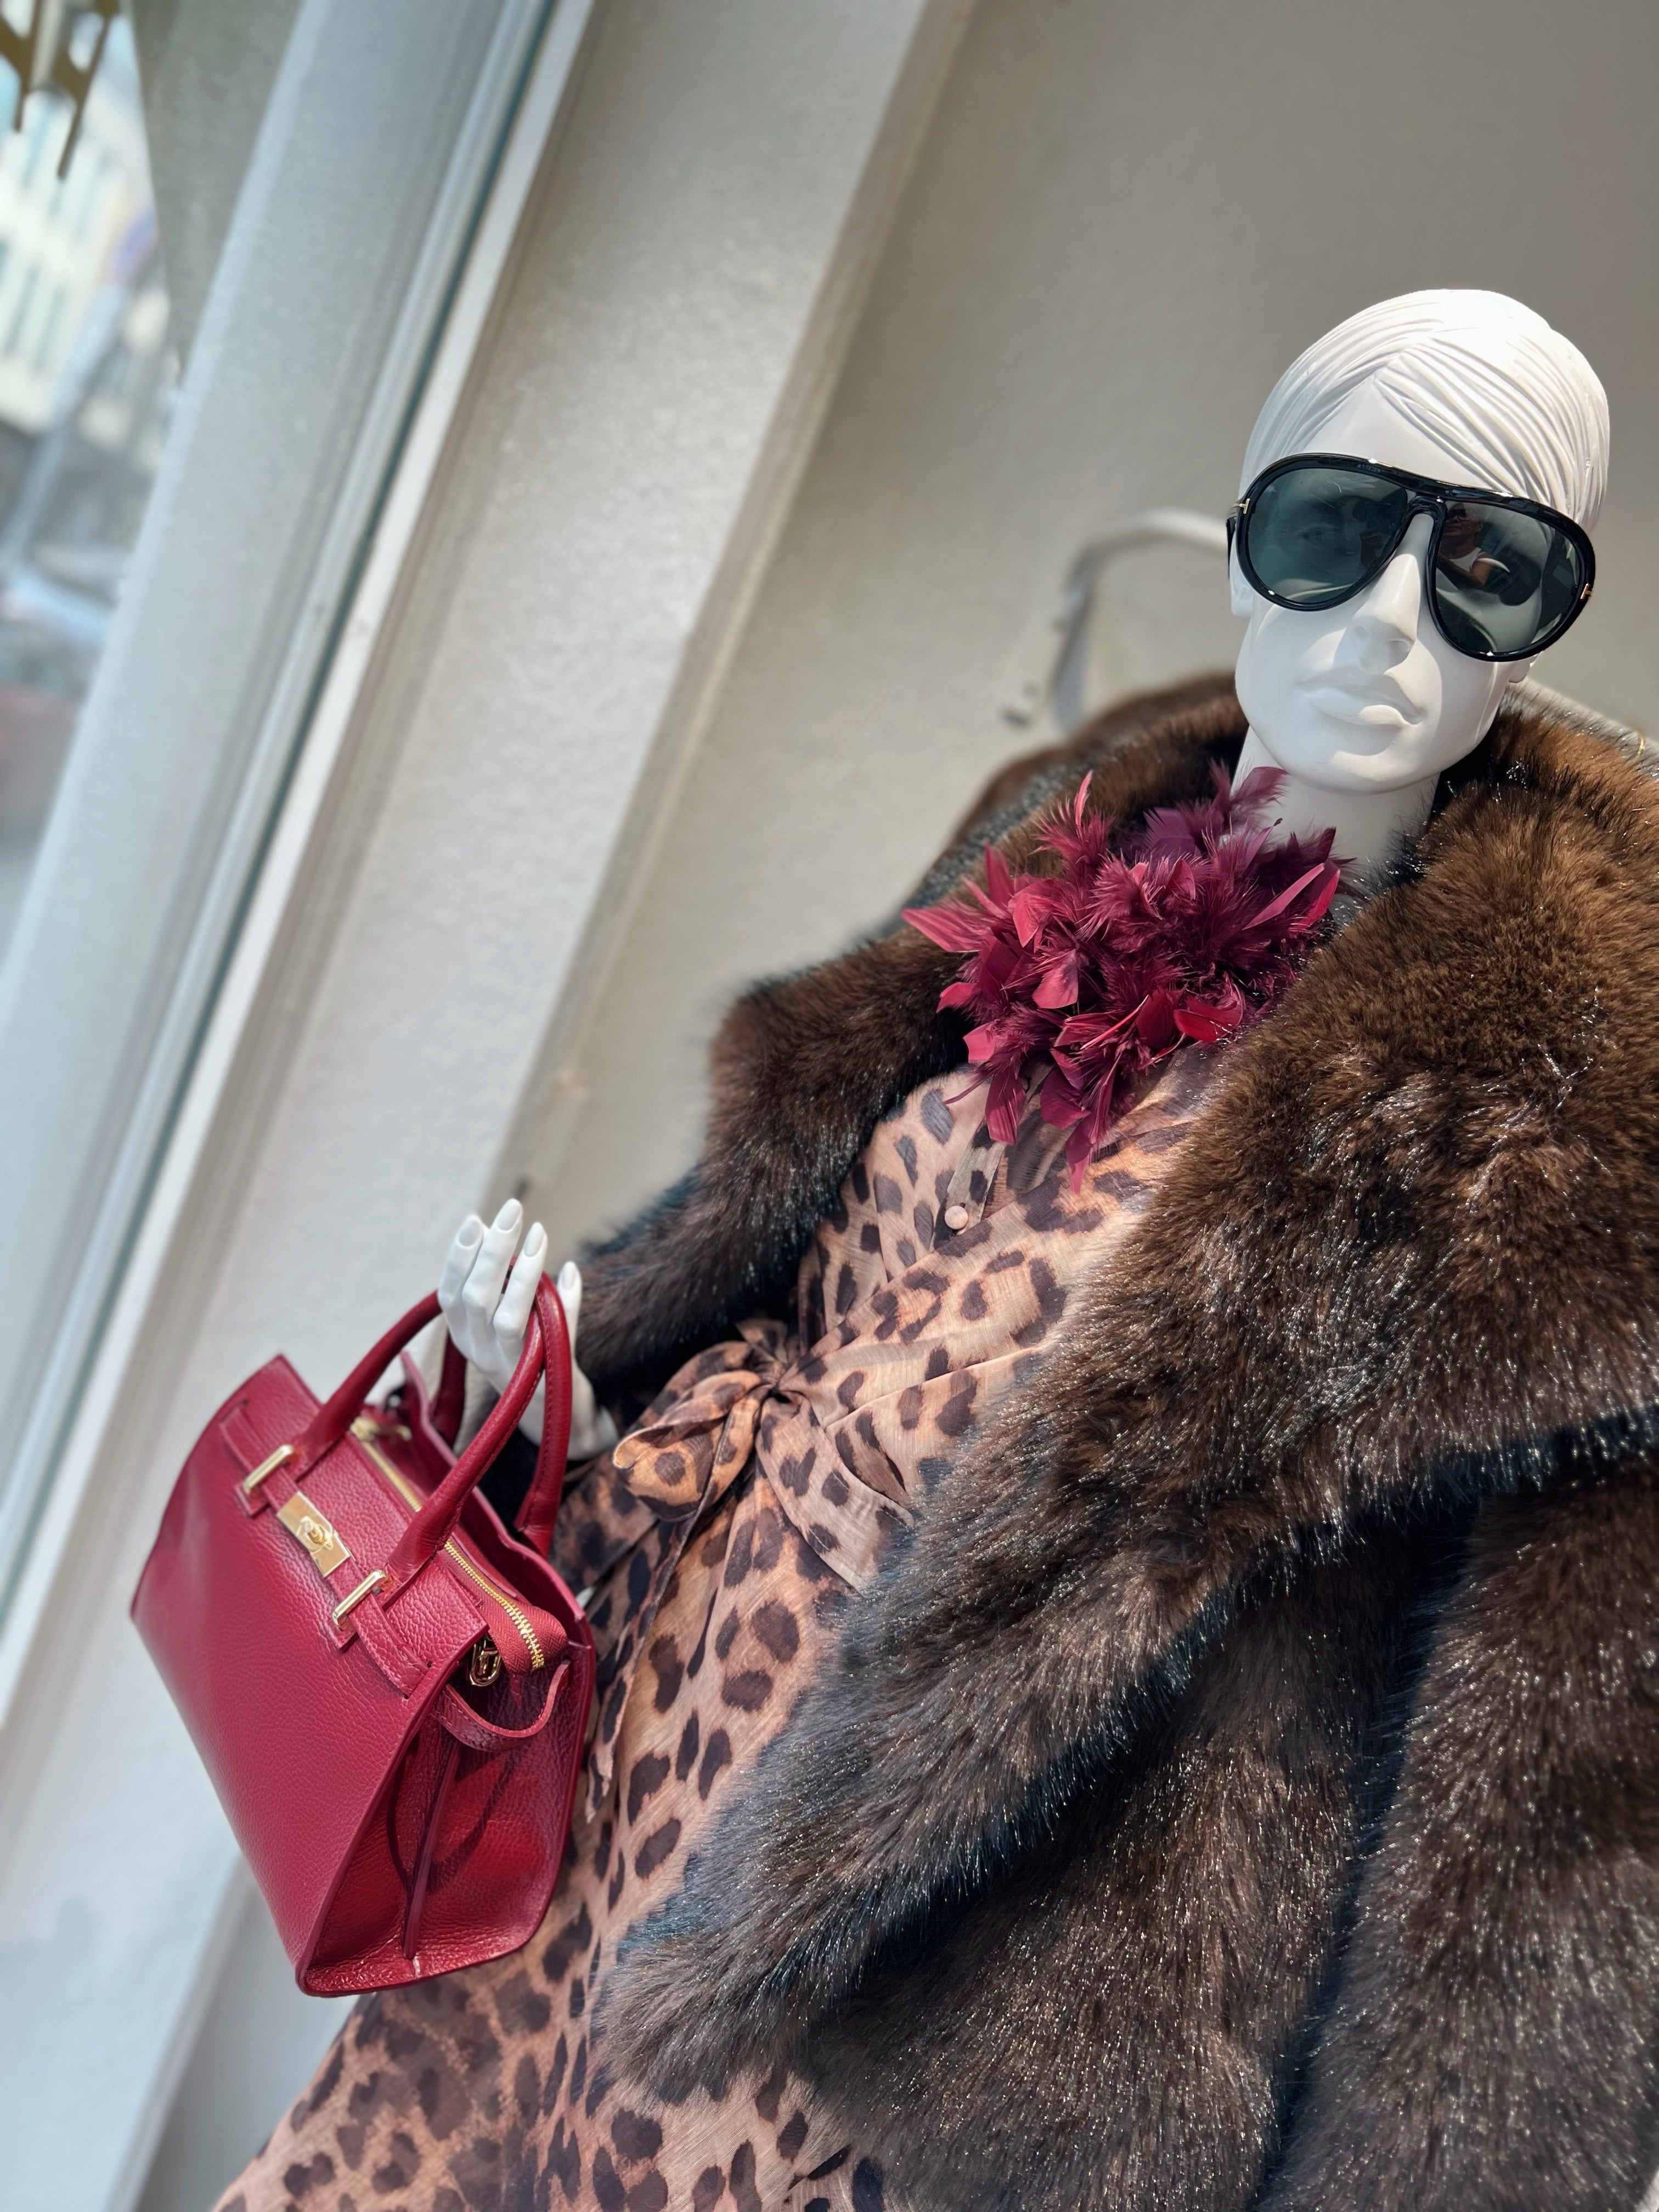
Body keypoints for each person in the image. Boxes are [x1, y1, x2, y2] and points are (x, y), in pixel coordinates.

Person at [224, 292, 1656, 2212]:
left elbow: (1552, 1811)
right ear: (1243, 536)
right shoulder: (1073, 834)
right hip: (630, 1759)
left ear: (1546, 626)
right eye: (1336, 527)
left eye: (1487, 569)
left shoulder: (1556, 1116)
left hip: (922, 1952)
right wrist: (555, 1394)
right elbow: (794, 1256)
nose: (1390, 624)